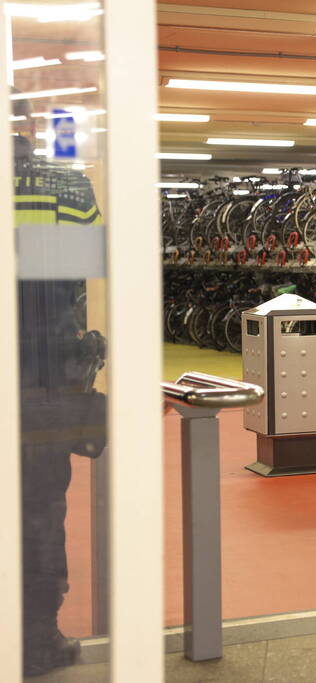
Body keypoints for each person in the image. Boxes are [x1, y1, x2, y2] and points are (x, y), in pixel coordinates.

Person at [12, 91, 107, 676]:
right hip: (43, 382)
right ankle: (38, 636)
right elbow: (76, 280)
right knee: (43, 509)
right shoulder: (66, 185)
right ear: (29, 123)